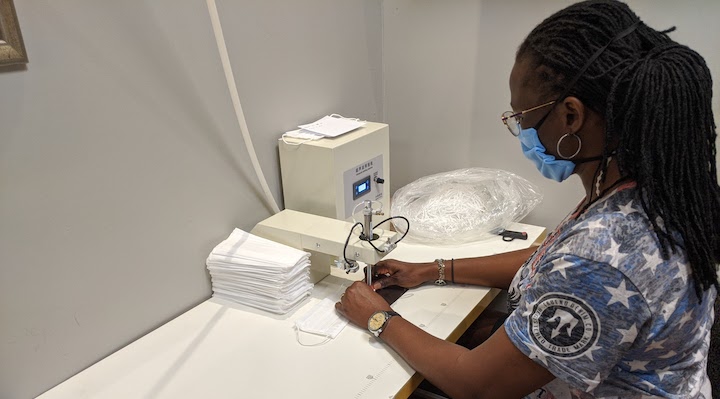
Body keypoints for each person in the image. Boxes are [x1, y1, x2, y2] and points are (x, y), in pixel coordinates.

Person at [335, 1, 720, 398]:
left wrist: (378, 317)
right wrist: (432, 269)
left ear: (571, 116)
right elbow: (552, 261)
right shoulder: (647, 191)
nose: (521, 131)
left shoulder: (602, 254)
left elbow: (478, 385)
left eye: (521, 117)